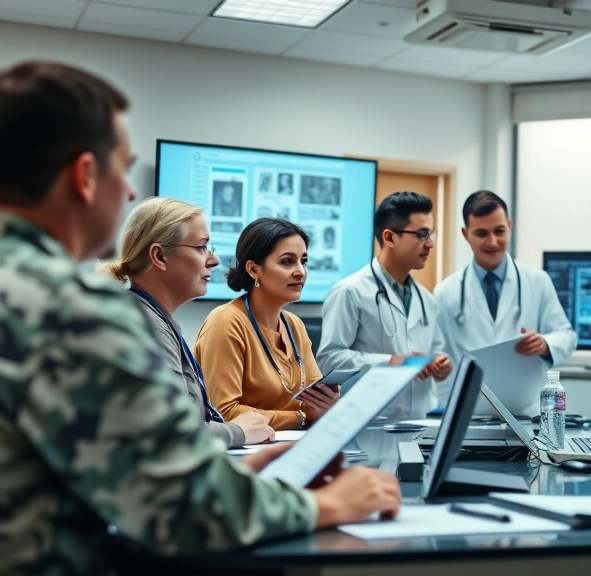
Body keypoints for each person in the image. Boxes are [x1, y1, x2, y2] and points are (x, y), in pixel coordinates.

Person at [0, 60, 400, 575]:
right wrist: (330, 505)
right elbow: (181, 511)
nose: (126, 193)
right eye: (123, 168)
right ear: (83, 176)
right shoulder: (67, 307)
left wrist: (222, 476)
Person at [103, 197, 275, 448]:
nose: (214, 260)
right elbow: (173, 434)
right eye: (201, 247)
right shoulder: (146, 325)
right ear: (159, 256)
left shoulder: (149, 316)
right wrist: (237, 432)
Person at [434, 191, 577, 409]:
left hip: (527, 412)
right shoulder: (446, 292)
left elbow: (566, 336)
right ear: (465, 234)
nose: (492, 242)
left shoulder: (538, 281)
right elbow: (439, 356)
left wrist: (546, 344)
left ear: (509, 226)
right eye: (481, 233)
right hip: (470, 412)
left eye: (499, 231)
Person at [318, 192, 452, 419]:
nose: (429, 243)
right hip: (367, 427)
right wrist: (390, 361)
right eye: (421, 234)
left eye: (431, 234)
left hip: (419, 426)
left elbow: (436, 350)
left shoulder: (426, 299)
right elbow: (328, 361)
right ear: (389, 238)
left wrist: (440, 363)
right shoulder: (350, 291)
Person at [196, 218, 337, 430]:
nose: (301, 271)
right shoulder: (226, 321)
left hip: (290, 449)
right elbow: (223, 412)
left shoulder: (294, 325)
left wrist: (329, 404)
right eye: (287, 261)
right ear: (254, 270)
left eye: (303, 261)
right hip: (241, 455)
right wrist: (301, 418)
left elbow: (314, 403)